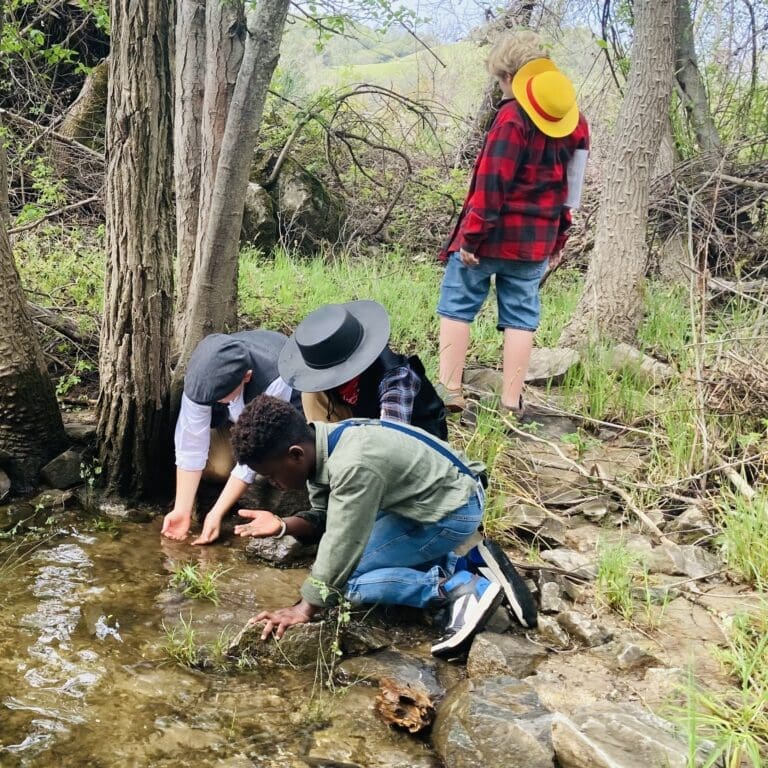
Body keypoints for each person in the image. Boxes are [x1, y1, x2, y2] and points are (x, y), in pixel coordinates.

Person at [229, 395, 537, 658]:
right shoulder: (323, 441)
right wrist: (282, 524)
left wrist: (304, 609)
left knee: (344, 583)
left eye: (272, 476)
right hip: (437, 499)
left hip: (453, 511)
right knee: (338, 569)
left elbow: (343, 544)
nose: (276, 486)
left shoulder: (352, 464)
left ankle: (459, 589)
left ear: (295, 455)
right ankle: (470, 562)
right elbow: (325, 518)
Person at [436, 31, 590, 415]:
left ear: (511, 78)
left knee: (456, 306)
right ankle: (511, 401)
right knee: (522, 318)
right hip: (536, 243)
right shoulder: (577, 123)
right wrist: (559, 239)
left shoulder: (511, 118)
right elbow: (572, 193)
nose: (502, 88)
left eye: (501, 80)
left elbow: (491, 186)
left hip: (488, 241)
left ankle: (451, 391)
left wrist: (470, 239)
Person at [161, 330, 300, 544]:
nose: (215, 400)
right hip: (233, 421)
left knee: (273, 463)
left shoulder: (274, 379)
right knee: (218, 468)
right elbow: (190, 443)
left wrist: (217, 513)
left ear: (247, 376)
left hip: (280, 422)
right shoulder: (201, 378)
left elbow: (255, 452)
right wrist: (182, 510)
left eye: (222, 395)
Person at [278, 300, 448, 439]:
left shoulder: (395, 377)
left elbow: (393, 442)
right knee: (311, 394)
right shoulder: (320, 386)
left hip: (416, 446)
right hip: (361, 431)